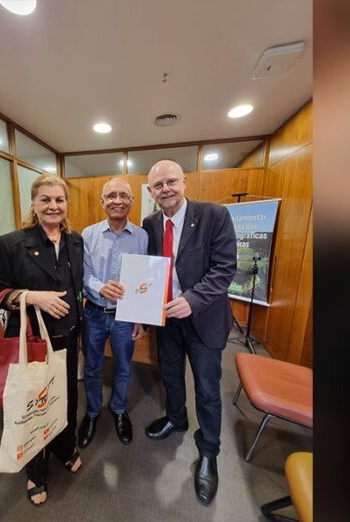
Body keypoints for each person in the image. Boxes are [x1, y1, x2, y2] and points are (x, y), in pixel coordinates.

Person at [142, 160, 237, 506]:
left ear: (184, 181)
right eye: (158, 185)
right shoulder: (150, 224)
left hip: (204, 318)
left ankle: (209, 451)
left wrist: (192, 300)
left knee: (208, 390)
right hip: (166, 318)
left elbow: (225, 268)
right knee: (170, 375)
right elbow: (149, 270)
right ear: (151, 191)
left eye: (171, 181)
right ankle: (176, 419)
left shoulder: (214, 215)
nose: (165, 189)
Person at [0, 175, 84, 507]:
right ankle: (36, 471)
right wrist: (32, 297)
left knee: (67, 397)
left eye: (59, 199)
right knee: (36, 404)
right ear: (33, 203)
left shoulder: (75, 241)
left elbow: (76, 287)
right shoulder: (11, 243)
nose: (53, 206)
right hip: (31, 340)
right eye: (45, 199)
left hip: (68, 336)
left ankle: (64, 447)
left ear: (66, 203)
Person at [78, 178, 148, 448]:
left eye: (123, 196)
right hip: (94, 313)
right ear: (102, 201)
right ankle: (92, 412)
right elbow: (84, 274)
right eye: (111, 196)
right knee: (93, 367)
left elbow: (145, 279)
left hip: (125, 316)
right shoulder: (88, 234)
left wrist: (140, 317)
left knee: (124, 367)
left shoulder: (142, 236)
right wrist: (100, 287)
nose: (117, 200)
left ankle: (119, 409)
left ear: (132, 201)